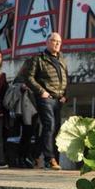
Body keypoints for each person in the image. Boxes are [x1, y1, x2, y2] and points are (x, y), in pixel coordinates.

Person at [23, 32, 69, 169]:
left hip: (58, 99)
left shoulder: (62, 59)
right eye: (54, 41)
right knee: (49, 125)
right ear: (47, 42)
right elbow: (29, 78)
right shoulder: (38, 58)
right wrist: (41, 91)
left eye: (59, 42)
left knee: (54, 129)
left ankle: (36, 155)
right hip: (45, 98)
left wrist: (65, 94)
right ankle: (50, 159)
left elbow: (66, 78)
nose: (56, 43)